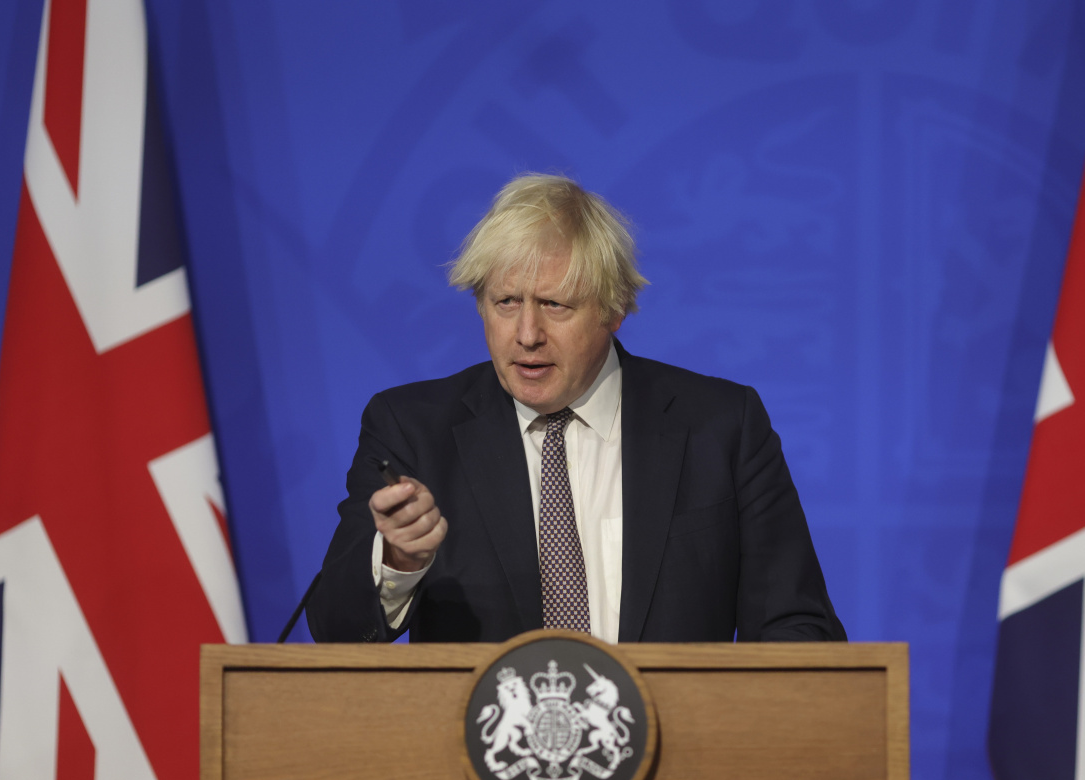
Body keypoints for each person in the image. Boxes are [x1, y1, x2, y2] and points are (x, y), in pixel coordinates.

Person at [306, 174, 845, 644]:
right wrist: (399, 561)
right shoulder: (413, 430)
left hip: (678, 730)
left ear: (614, 310)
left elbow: (796, 624)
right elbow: (336, 629)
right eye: (506, 302)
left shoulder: (721, 426)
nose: (527, 334)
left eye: (555, 305)